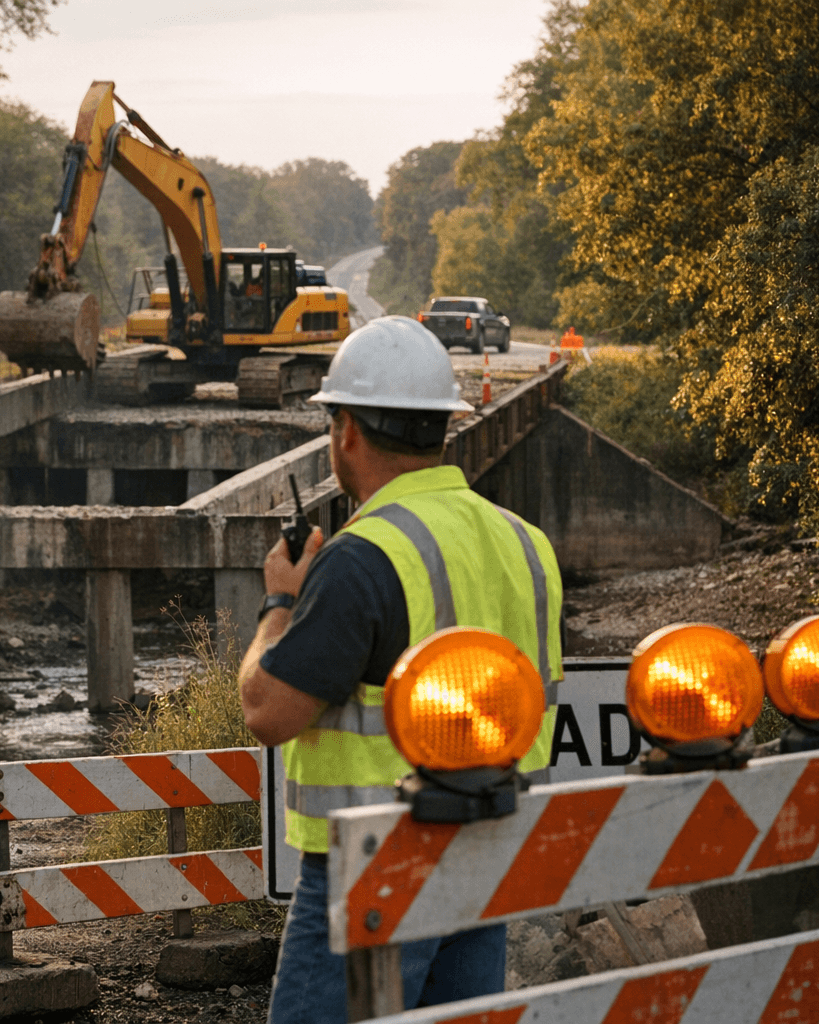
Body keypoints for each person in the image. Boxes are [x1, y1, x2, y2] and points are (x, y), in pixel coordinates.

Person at [238, 316, 561, 1022]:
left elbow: (268, 711)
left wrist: (279, 603)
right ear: (440, 429)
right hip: (488, 848)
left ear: (346, 430)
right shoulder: (527, 544)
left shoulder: (360, 558)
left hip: (377, 866)